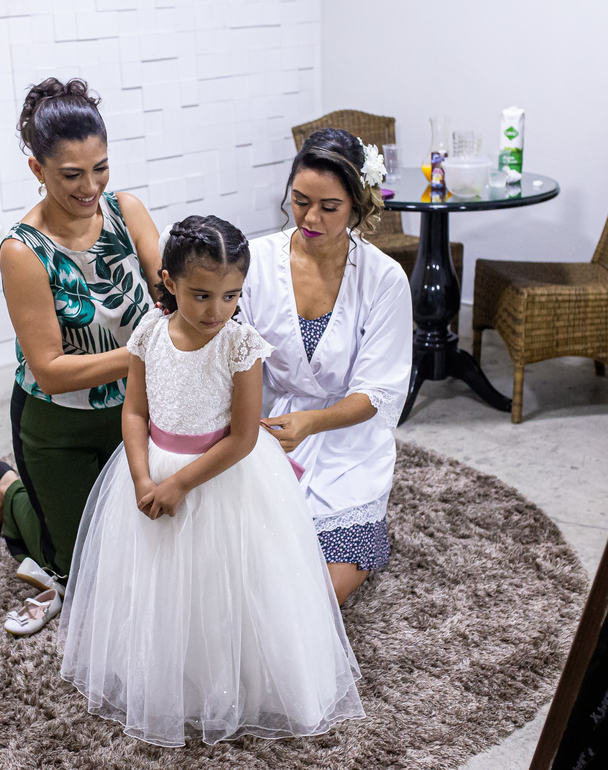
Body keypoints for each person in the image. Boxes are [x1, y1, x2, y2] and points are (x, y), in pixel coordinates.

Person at [58, 216, 364, 747]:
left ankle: (232, 682)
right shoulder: (150, 333)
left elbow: (244, 437)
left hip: (222, 478)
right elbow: (134, 413)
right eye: (201, 295)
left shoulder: (239, 346)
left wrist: (181, 485)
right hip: (154, 468)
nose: (216, 311)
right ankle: (170, 677)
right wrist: (141, 477)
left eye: (231, 296)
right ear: (170, 282)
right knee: (159, 582)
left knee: (230, 584)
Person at [0, 78, 162, 619]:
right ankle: (10, 496)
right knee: (81, 572)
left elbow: (166, 287)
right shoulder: (22, 249)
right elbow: (50, 370)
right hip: (57, 421)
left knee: (146, 547)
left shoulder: (128, 210)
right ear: (37, 170)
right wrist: (148, 352)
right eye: (72, 175)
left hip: (134, 407)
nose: (91, 187)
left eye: (100, 168)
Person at [240, 127, 413, 605]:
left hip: (347, 439)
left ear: (357, 206)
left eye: (328, 207)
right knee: (247, 564)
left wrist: (313, 422)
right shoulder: (254, 261)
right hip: (267, 426)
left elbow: (377, 393)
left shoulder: (383, 279)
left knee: (318, 592)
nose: (310, 217)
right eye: (299, 201)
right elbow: (236, 357)